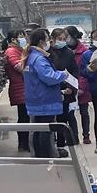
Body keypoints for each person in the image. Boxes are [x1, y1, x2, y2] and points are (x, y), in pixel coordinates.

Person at [23, 28, 74, 158]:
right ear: (41, 42)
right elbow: (49, 77)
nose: (49, 42)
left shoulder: (31, 56)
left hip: (36, 99)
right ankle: (45, 158)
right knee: (45, 133)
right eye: (47, 39)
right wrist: (63, 74)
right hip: (45, 101)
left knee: (37, 131)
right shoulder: (39, 59)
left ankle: (39, 157)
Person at [49, 28, 80, 146]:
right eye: (59, 39)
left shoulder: (68, 52)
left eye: (63, 39)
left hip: (67, 89)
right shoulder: (48, 52)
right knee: (52, 119)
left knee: (65, 117)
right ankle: (54, 143)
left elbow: (74, 70)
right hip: (53, 89)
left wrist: (70, 87)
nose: (61, 41)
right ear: (52, 39)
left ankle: (64, 143)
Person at [2, 31, 30, 152]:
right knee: (24, 117)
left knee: (25, 117)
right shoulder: (11, 51)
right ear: (13, 39)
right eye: (21, 37)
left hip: (23, 88)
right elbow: (19, 67)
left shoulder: (19, 50)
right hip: (20, 89)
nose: (24, 39)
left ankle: (24, 143)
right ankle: (23, 143)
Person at [66, 26, 92, 145]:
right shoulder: (64, 51)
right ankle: (74, 137)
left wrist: (81, 87)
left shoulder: (84, 52)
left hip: (82, 86)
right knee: (70, 113)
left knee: (84, 112)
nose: (66, 39)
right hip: (69, 86)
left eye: (68, 36)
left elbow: (85, 71)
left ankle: (86, 135)